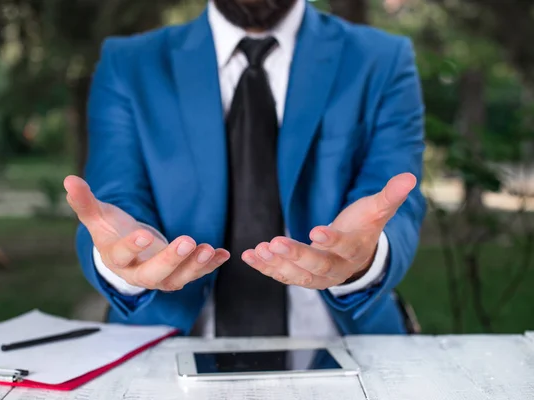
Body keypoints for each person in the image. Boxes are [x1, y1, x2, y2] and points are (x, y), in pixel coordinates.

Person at [64, 0, 426, 338]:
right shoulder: (128, 63)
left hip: (350, 341)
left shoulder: (383, 58)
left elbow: (391, 199)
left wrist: (363, 258)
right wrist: (124, 253)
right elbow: (115, 194)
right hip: (161, 345)